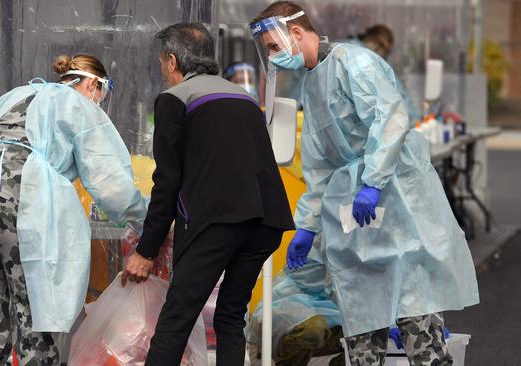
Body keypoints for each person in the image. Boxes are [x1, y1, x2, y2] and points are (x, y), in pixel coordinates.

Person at [250, 2, 479, 365]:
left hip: (396, 201)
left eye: (274, 47)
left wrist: (372, 182)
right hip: (355, 217)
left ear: (295, 32)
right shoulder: (313, 85)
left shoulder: (352, 63)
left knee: (412, 304)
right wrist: (307, 226)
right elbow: (319, 165)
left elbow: (390, 119)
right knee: (359, 308)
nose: (273, 58)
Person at [0, 53, 147, 364]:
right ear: (94, 84)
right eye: (101, 96)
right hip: (18, 200)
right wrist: (146, 219)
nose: (98, 103)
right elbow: (109, 183)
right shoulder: (78, 105)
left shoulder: (18, 94)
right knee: (36, 319)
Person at [122, 23, 294, 365]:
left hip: (217, 221)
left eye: (161, 65)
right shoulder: (243, 98)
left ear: (172, 62)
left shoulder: (174, 100)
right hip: (267, 222)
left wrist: (146, 249)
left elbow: (167, 181)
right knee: (231, 315)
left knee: (177, 318)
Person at [349, 24, 420, 121]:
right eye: (382, 47)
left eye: (387, 51)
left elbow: (397, 90)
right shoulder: (355, 53)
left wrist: (414, 119)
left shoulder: (379, 60)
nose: (384, 53)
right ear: (372, 40)